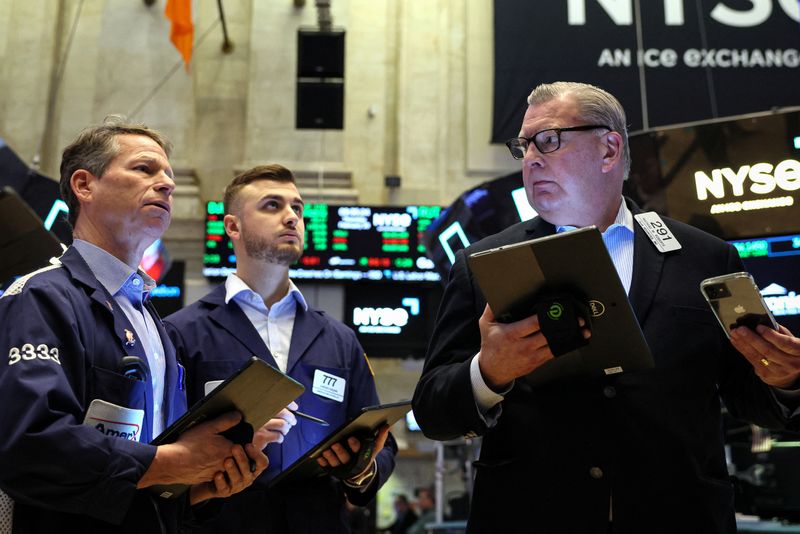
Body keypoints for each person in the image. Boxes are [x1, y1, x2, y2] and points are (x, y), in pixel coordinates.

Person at [412, 81, 800, 533]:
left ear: (610, 148)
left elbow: (751, 397)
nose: (532, 158)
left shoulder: (705, 258)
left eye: (549, 140)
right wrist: (488, 372)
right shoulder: (483, 264)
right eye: (524, 147)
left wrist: (787, 379)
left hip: (679, 518)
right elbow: (433, 412)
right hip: (532, 517)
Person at [0, 117, 268, 533]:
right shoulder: (41, 296)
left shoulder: (148, 320)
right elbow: (30, 443)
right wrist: (171, 463)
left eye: (170, 176)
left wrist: (196, 487)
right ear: (84, 186)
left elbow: (143, 469)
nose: (167, 184)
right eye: (145, 169)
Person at [164, 164, 397, 533]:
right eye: (272, 205)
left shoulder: (339, 338)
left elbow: (383, 445)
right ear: (233, 227)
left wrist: (361, 469)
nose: (291, 217)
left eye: (298, 209)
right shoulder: (181, 332)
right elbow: (159, 451)